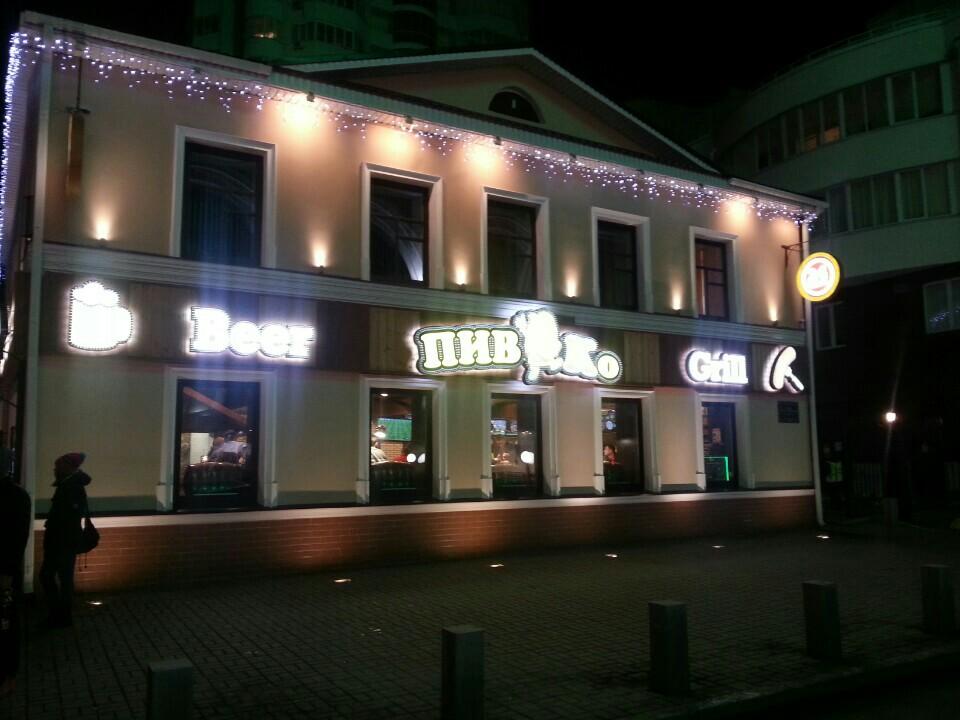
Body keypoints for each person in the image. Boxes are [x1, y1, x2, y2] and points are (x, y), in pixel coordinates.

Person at [39, 453, 91, 628]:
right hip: (63, 541)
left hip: (63, 542)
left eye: (58, 466)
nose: (55, 469)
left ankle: (59, 616)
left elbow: (68, 517)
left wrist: (56, 533)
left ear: (68, 467)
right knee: (62, 578)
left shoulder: (72, 487)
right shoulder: (68, 484)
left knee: (53, 577)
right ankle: (61, 616)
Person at [0, 468, 31, 695]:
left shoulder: (16, 497)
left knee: (6, 623)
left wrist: (8, 573)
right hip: (7, 572)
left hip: (5, 574)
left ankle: (7, 676)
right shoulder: (18, 496)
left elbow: (17, 538)